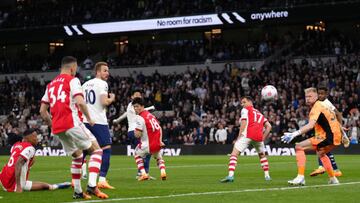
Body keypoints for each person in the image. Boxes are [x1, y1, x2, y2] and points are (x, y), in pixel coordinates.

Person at [39, 56, 108, 199]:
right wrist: (89, 118)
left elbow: (42, 111)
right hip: (72, 122)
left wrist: (53, 125)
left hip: (58, 128)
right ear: (72, 68)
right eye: (75, 69)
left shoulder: (50, 84)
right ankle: (92, 186)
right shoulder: (73, 80)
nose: (75, 71)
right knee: (97, 150)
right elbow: (81, 102)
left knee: (77, 156)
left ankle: (77, 192)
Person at [281, 87, 341, 185]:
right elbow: (334, 117)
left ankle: (300, 177)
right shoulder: (322, 105)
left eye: (310, 96)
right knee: (321, 153)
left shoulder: (316, 107)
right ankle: (333, 179)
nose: (307, 98)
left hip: (327, 136)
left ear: (316, 96)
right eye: (306, 96)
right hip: (335, 136)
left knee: (299, 146)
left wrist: (294, 134)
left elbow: (310, 125)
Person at [0, 128, 70, 192]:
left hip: (3, 179)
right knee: (45, 186)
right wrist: (18, 186)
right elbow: (18, 163)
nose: (37, 138)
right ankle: (55, 186)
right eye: (35, 136)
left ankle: (55, 186)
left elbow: (16, 159)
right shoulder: (29, 148)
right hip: (13, 184)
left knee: (43, 185)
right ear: (28, 138)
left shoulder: (16, 145)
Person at [221, 96, 272, 183]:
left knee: (234, 154)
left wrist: (239, 137)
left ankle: (230, 176)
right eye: (241, 103)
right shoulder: (259, 113)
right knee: (262, 155)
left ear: (250, 102)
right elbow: (269, 126)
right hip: (258, 137)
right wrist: (262, 138)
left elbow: (244, 123)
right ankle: (267, 176)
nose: (242, 104)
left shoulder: (245, 110)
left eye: (244, 102)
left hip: (248, 134)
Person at [82, 62, 115, 189]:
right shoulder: (102, 84)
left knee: (84, 150)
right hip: (98, 121)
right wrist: (111, 98)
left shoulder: (84, 84)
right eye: (105, 70)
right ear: (98, 72)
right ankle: (101, 179)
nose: (107, 73)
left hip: (85, 121)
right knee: (106, 149)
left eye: (107, 71)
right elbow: (103, 102)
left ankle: (75, 180)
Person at [113, 89, 155, 179]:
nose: (138, 96)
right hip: (135, 131)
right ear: (132, 97)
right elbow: (140, 111)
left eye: (139, 95)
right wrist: (150, 108)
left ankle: (142, 173)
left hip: (134, 131)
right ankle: (143, 173)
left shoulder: (132, 106)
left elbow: (126, 114)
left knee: (145, 152)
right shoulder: (132, 105)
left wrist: (118, 120)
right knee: (147, 152)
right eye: (136, 95)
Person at [309, 86, 348, 177]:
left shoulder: (326, 103)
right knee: (325, 150)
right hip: (325, 129)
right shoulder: (319, 103)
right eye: (319, 93)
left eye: (322, 94)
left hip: (327, 130)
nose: (320, 95)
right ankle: (336, 170)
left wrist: (340, 126)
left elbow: (338, 113)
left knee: (319, 146)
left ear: (326, 95)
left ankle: (321, 166)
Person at [132, 97, 167, 181]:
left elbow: (138, 135)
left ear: (142, 106)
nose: (136, 109)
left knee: (136, 154)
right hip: (157, 143)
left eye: (137, 106)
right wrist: (160, 141)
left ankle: (143, 174)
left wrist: (135, 131)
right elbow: (159, 128)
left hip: (147, 144)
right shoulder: (150, 115)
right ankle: (163, 172)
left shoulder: (140, 117)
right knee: (159, 158)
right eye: (134, 107)